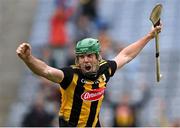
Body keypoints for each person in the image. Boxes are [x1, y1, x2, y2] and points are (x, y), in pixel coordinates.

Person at [16, 24, 162, 127]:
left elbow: (126, 55)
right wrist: (28, 58)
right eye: (82, 56)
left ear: (98, 57)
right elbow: (45, 70)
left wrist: (149, 36)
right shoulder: (70, 75)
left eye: (89, 56)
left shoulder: (105, 69)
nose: (85, 59)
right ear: (77, 60)